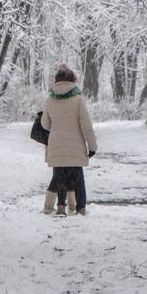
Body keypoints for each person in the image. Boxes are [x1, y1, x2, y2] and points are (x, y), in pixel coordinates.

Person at [41, 63, 97, 216]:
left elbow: (45, 124)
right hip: (75, 145)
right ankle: (80, 208)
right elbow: (86, 124)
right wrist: (92, 146)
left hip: (56, 144)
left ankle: (60, 207)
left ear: (56, 81)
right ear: (73, 81)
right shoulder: (78, 99)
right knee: (77, 177)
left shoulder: (49, 100)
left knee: (59, 175)